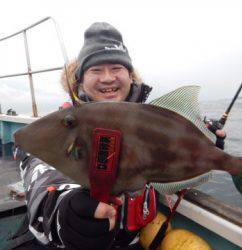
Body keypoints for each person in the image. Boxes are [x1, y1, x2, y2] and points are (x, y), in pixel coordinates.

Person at [11, 22, 226, 250]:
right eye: (96, 70)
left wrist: (205, 147)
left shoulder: (155, 123)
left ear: (130, 76)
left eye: (116, 68)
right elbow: (42, 175)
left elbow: (168, 172)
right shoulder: (62, 127)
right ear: (79, 81)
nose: (107, 78)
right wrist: (65, 214)